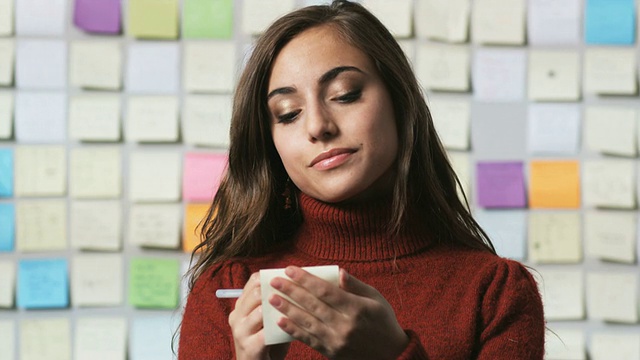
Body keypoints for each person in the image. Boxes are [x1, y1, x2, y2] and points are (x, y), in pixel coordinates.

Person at [178, 1, 545, 359]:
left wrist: (393, 354)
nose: (319, 126)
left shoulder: (495, 292)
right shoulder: (228, 288)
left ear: (399, 102)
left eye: (345, 95)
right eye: (288, 114)